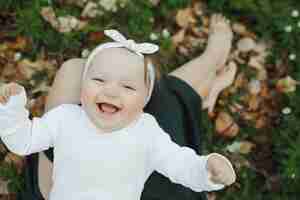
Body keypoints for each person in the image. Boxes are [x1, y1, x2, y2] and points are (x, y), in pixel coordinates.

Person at [1, 14, 237, 200]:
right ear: (81, 88)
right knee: (169, 99)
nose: (111, 91)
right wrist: (11, 109)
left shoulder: (147, 131)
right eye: (99, 80)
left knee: (166, 96)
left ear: (145, 103)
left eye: (127, 87)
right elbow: (24, 139)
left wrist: (206, 169)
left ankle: (210, 69)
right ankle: (209, 74)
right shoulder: (66, 118)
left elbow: (181, 165)